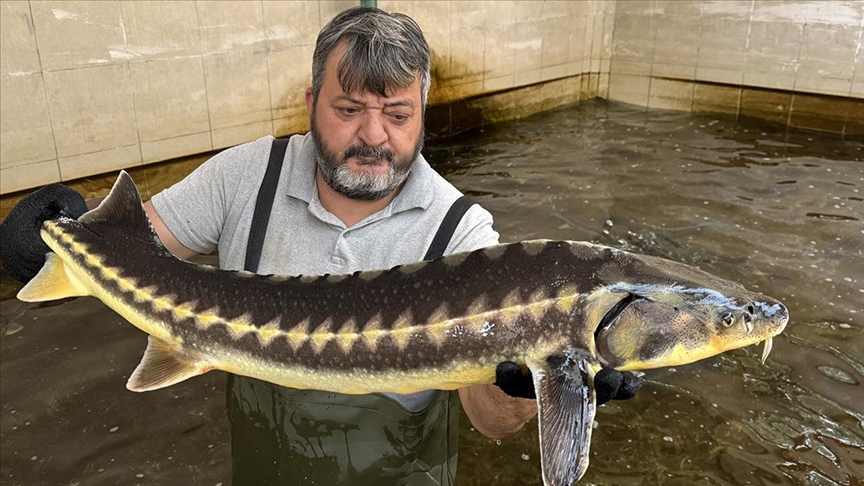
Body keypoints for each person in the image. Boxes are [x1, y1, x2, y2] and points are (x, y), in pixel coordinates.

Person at [0, 7, 641, 485]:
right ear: (311, 103)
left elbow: (489, 421)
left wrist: (527, 383)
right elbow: (134, 245)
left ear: (422, 112)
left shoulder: (461, 232)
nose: (373, 136)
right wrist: (52, 243)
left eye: (396, 114)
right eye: (348, 109)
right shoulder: (243, 176)